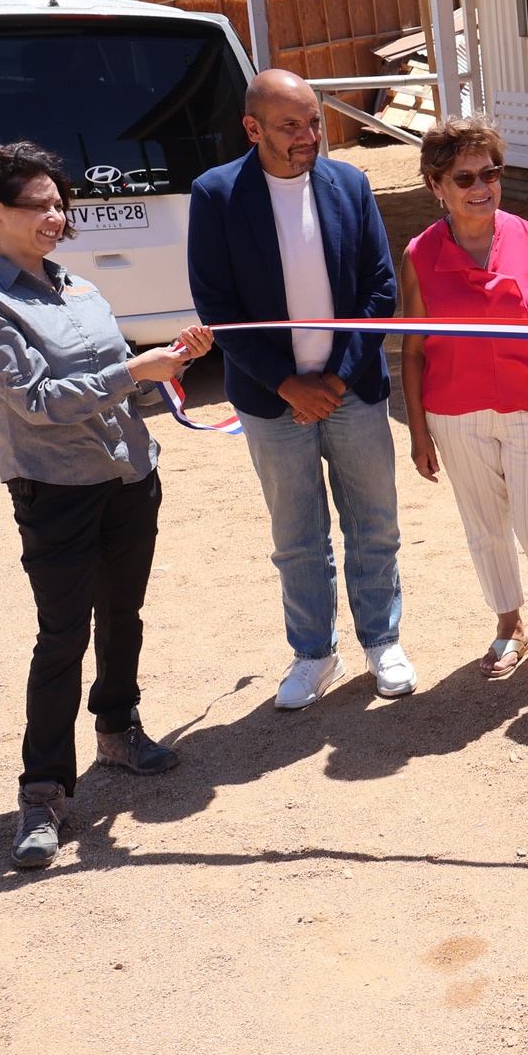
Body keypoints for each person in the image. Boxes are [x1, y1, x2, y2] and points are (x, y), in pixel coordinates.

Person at [0, 141, 214, 869]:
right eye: (40, 204)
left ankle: (118, 729)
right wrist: (134, 367)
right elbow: (35, 402)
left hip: (129, 478)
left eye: (61, 203)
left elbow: (125, 378)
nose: (57, 216)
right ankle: (43, 792)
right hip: (55, 490)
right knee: (62, 634)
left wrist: (175, 364)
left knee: (122, 612)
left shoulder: (80, 291)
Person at [189, 69, 414, 711]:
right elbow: (218, 306)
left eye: (313, 120)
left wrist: (336, 377)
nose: (308, 135)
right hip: (271, 400)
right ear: (252, 127)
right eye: (290, 125)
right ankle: (314, 653)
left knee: (375, 523)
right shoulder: (216, 195)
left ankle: (381, 642)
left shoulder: (350, 183)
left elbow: (379, 292)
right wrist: (288, 384)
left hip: (355, 391)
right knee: (298, 535)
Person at [398, 118, 528, 677]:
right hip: (454, 413)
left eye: (491, 173)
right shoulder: (419, 254)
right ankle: (509, 623)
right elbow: (412, 352)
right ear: (436, 185)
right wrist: (418, 432)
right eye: (465, 178)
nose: (482, 187)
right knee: (485, 526)